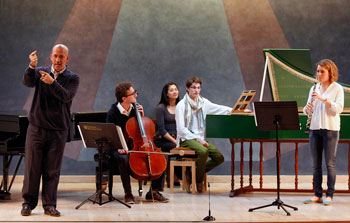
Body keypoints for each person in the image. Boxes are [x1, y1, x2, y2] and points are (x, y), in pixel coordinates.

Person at [21, 44, 80, 217]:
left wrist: (52, 82)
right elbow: (27, 81)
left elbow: (66, 96)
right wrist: (32, 66)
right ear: (51, 57)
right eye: (55, 56)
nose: (58, 60)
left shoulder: (73, 78)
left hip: (57, 130)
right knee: (32, 168)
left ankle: (49, 205)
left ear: (67, 59)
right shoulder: (40, 72)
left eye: (61, 57)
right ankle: (27, 204)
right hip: (36, 128)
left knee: (52, 170)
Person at [106, 82, 169, 204]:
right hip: (118, 147)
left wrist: (141, 116)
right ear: (124, 98)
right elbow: (111, 136)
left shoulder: (136, 109)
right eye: (133, 93)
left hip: (135, 146)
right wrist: (120, 148)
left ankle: (154, 191)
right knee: (123, 158)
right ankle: (128, 194)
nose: (136, 95)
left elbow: (140, 132)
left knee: (163, 157)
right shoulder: (112, 113)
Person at [175, 77, 230, 192]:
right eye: (194, 87)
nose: (196, 90)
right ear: (187, 88)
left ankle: (193, 173)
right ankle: (198, 181)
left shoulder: (203, 102)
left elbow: (219, 108)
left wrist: (236, 110)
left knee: (219, 157)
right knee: (203, 151)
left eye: (199, 88)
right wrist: (197, 139)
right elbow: (181, 130)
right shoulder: (181, 106)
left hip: (199, 138)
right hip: (186, 139)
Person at [303, 59, 344, 206]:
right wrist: (307, 108)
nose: (319, 74)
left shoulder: (337, 88)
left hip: (331, 129)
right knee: (316, 165)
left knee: (330, 164)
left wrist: (324, 99)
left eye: (322, 72)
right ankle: (317, 194)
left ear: (330, 73)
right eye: (318, 71)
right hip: (315, 129)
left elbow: (338, 109)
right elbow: (306, 109)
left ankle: (330, 195)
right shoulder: (314, 88)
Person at [154, 82, 181, 186]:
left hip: (177, 138)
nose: (175, 92)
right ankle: (174, 175)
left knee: (188, 148)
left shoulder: (180, 106)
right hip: (163, 140)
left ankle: (179, 174)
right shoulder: (161, 108)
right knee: (177, 147)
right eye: (171, 90)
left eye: (176, 89)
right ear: (166, 94)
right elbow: (161, 130)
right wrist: (175, 141)